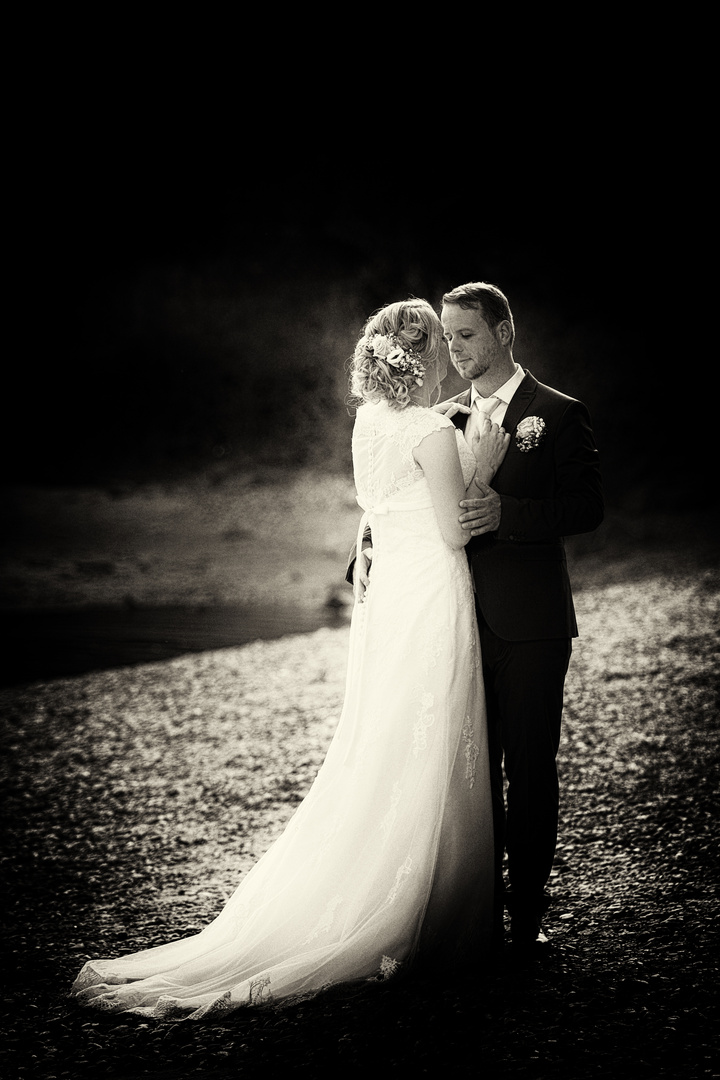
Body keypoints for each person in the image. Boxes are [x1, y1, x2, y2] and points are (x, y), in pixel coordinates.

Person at [71, 299, 509, 1019]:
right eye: (441, 346)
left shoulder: (369, 421)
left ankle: (403, 882)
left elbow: (377, 509)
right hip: (431, 595)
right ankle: (431, 910)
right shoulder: (431, 431)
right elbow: (455, 534)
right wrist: (483, 468)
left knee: (387, 738)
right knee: (430, 733)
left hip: (392, 596)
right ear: (425, 359)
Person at [437, 281, 604, 952]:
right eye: (448, 337)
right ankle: (477, 909)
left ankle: (527, 914)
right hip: (455, 623)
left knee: (530, 769)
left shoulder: (558, 414)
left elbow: (587, 510)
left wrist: (511, 517)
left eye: (466, 335)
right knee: (469, 773)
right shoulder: (440, 420)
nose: (454, 349)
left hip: (533, 624)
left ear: (504, 333)